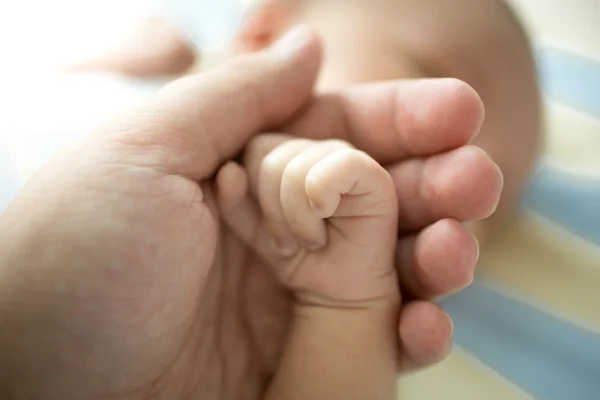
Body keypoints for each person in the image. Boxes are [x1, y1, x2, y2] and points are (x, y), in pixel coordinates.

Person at [0, 28, 501, 399]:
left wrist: (347, 308)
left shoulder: (333, 332)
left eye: (491, 220)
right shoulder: (162, 73)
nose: (435, 155)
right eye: (426, 66)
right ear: (266, 31)